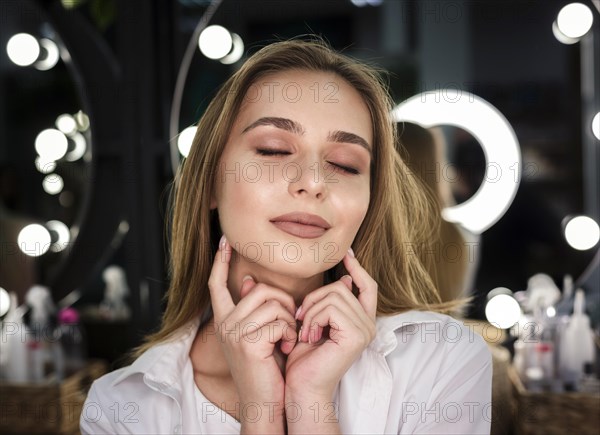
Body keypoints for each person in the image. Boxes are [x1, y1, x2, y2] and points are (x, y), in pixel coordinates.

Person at [80, 37, 492, 434]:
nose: (313, 182)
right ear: (209, 182)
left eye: (346, 165)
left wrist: (310, 399)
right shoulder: (122, 409)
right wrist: (260, 412)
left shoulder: (442, 360)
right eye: (274, 150)